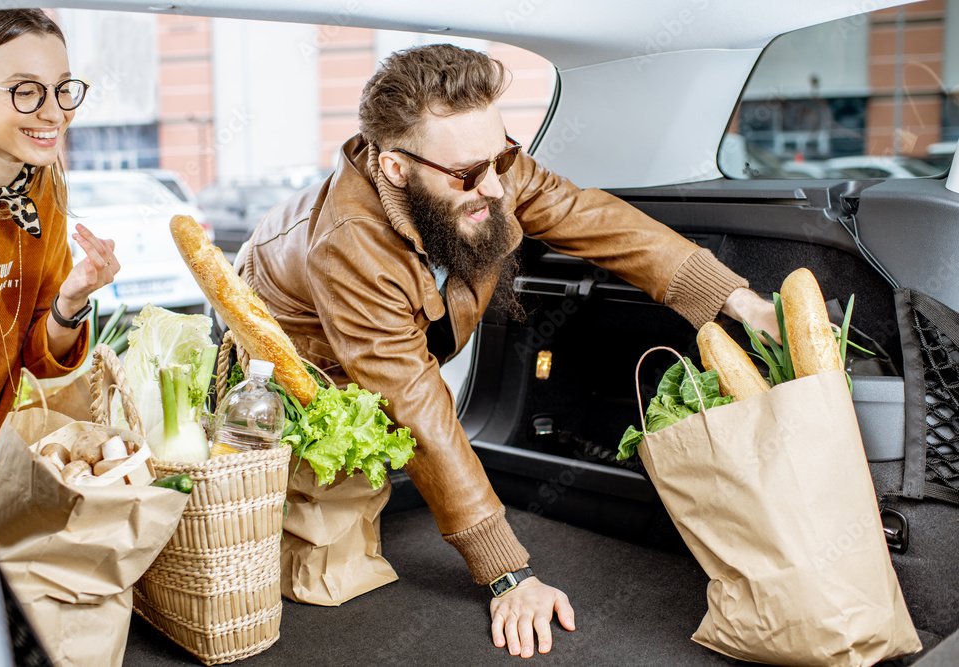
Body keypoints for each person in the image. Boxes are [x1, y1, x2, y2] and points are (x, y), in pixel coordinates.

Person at [235, 43, 779, 658]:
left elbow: (593, 218)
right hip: (299, 353)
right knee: (325, 503)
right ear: (394, 169)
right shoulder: (347, 246)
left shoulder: (484, 168)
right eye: (469, 173)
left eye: (501, 157)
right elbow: (413, 402)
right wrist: (507, 575)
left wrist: (741, 302)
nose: (494, 186)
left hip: (379, 351)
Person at [0, 9, 120, 454]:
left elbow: (38, 363)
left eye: (62, 89)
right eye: (25, 91)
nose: (54, 113)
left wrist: (71, 299)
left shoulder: (41, 192)